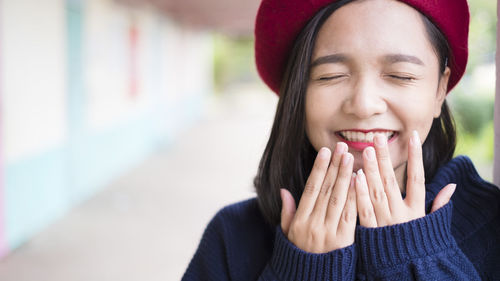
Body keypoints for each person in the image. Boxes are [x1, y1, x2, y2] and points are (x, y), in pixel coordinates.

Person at [182, 0, 500, 280]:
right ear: (297, 93)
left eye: (400, 75)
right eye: (330, 76)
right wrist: (304, 271)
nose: (363, 104)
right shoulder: (233, 237)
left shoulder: (492, 224)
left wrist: (414, 259)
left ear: (439, 91)